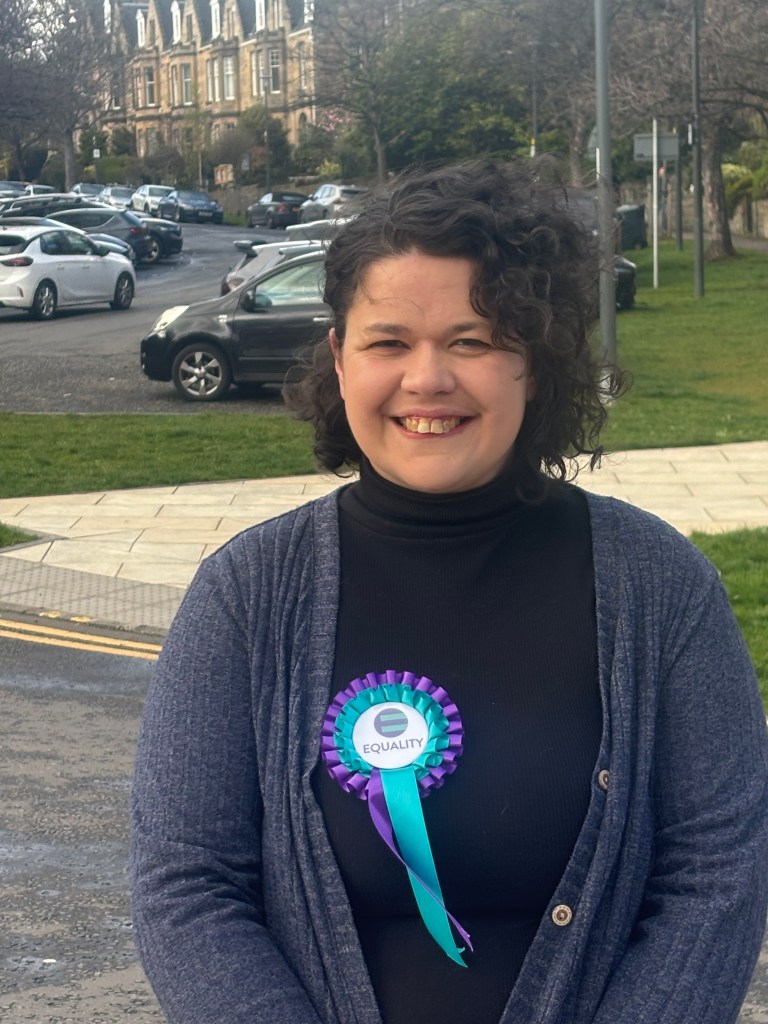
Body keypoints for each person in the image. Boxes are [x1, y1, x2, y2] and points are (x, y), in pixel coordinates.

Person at [130, 160, 768, 1024]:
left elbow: (717, 878)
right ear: (340, 361)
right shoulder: (245, 595)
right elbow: (188, 890)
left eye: (472, 341)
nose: (427, 379)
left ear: (535, 364)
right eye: (389, 341)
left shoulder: (660, 586)